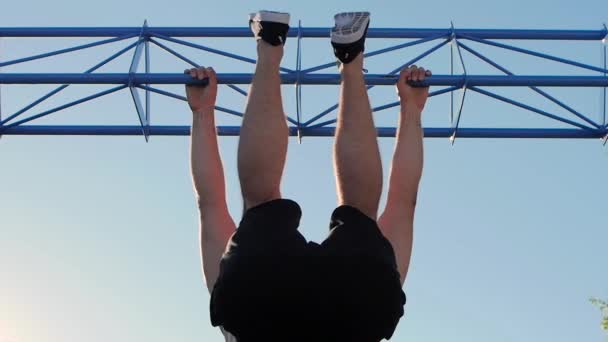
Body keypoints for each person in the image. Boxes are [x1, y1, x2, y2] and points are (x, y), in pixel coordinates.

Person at [185, 11, 432, 342]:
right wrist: (203, 113)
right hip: (260, 303)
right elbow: (210, 204)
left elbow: (404, 202)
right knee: (258, 201)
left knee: (361, 211)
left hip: (354, 314)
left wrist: (411, 110)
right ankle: (271, 44)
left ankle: (351, 57)